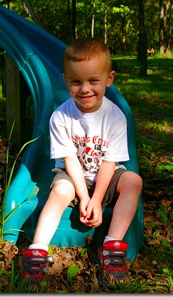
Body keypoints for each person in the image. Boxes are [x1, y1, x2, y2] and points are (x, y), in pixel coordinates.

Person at [21, 38, 143, 290]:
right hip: (73, 175)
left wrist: (96, 198)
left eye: (93, 81)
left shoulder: (115, 117)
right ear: (65, 81)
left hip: (106, 177)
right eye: (76, 82)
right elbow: (69, 162)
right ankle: (37, 251)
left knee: (133, 180)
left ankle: (111, 248)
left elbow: (110, 163)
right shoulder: (61, 116)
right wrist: (83, 196)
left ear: (109, 79)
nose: (84, 89)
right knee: (59, 190)